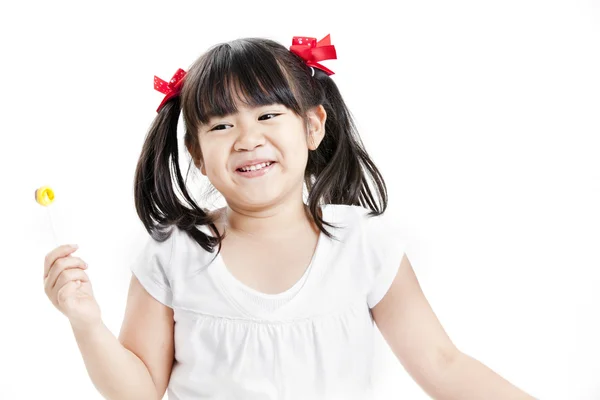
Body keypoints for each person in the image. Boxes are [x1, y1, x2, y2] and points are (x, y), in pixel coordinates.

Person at [43, 34, 536, 399]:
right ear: (196, 154)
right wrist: (86, 322)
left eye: (268, 115)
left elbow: (443, 366)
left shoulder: (362, 245)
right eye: (221, 124)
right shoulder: (174, 255)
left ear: (313, 126)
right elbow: (140, 392)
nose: (247, 137)